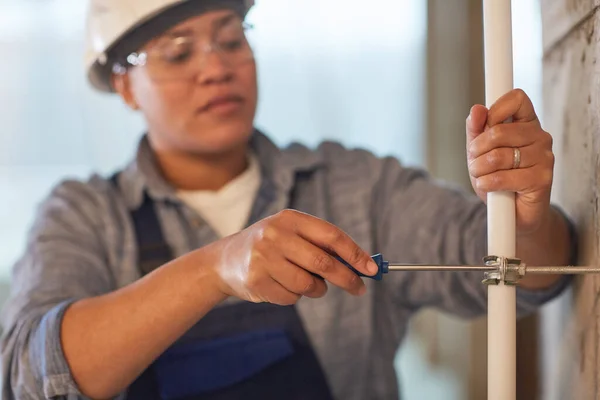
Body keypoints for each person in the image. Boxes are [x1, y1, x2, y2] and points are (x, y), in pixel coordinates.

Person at [0, 0, 575, 399]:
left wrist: (522, 215)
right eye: (178, 53)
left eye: (231, 40)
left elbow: (517, 270)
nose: (217, 67)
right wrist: (214, 268)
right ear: (125, 86)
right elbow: (30, 374)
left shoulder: (355, 186)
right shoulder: (84, 217)